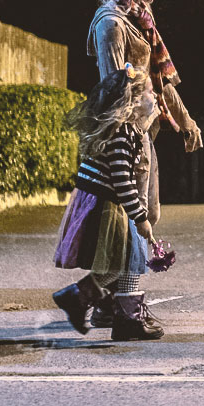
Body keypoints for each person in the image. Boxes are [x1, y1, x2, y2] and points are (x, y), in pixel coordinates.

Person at [84, 0, 201, 328]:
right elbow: (113, 86)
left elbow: (161, 80)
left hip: (141, 132)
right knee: (137, 221)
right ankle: (125, 309)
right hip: (125, 135)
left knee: (136, 218)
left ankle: (104, 304)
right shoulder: (112, 23)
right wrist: (124, 139)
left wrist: (186, 122)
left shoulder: (141, 19)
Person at [51, 65, 165, 341]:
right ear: (135, 100)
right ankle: (92, 302)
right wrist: (141, 219)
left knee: (125, 261)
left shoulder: (127, 130)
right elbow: (122, 181)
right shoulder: (122, 134)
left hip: (107, 201)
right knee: (124, 259)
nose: (156, 96)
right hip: (105, 205)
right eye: (151, 91)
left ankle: (115, 312)